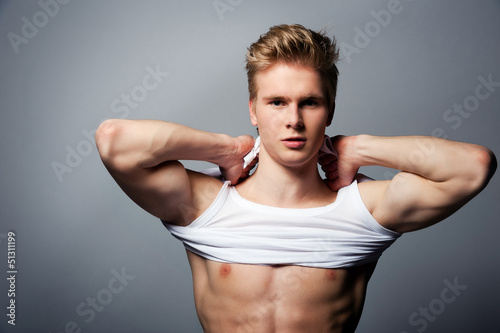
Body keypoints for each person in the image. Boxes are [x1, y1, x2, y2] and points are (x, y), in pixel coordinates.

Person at [95, 24, 496, 333]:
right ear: (253, 110)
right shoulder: (205, 204)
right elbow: (115, 141)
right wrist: (222, 150)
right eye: (277, 102)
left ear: (330, 109)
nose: (294, 120)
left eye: (310, 102)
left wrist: (359, 148)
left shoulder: (363, 210)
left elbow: (473, 166)